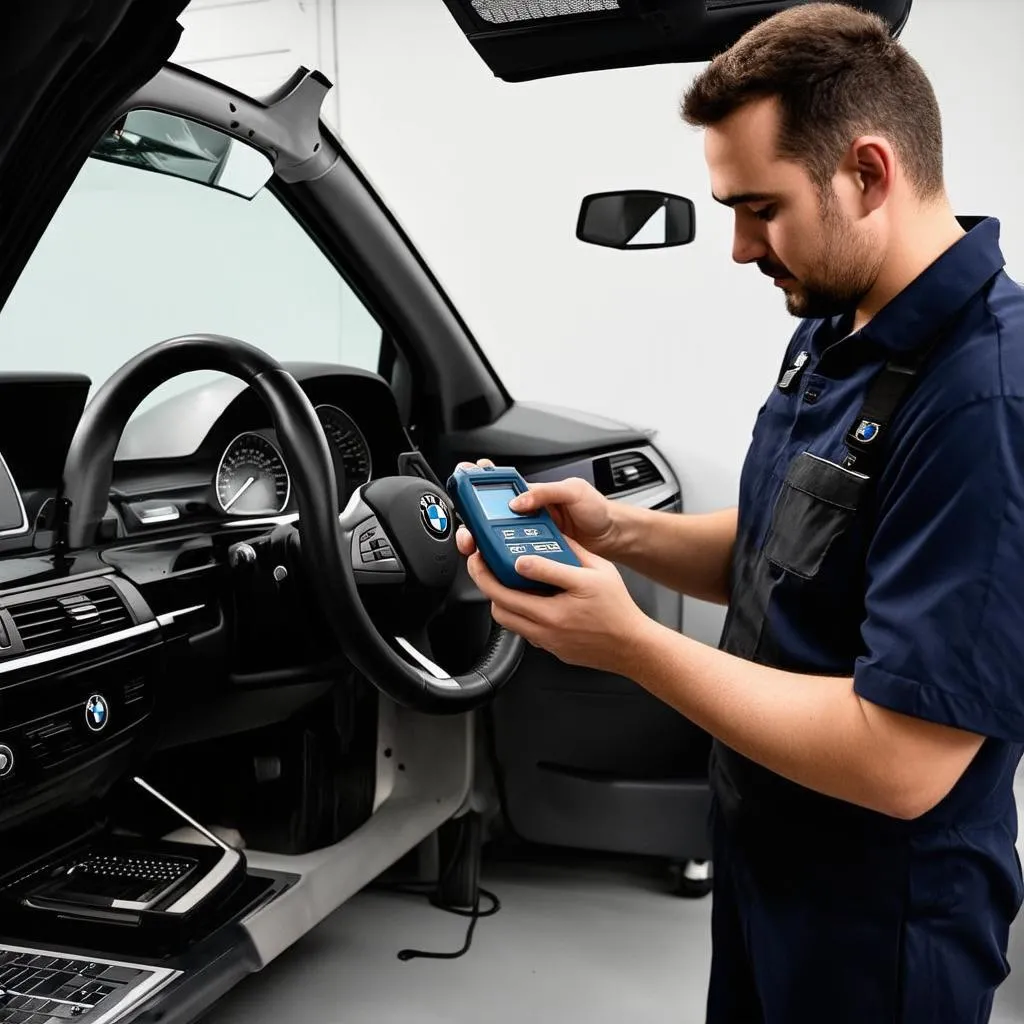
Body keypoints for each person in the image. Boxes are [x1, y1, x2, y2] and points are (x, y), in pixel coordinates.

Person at [455, 4, 1024, 1022]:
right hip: (768, 860)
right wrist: (615, 531)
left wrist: (628, 643)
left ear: (867, 173)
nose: (737, 246)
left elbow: (901, 762)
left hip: (880, 921)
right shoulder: (837, 315)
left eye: (760, 208)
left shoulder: (983, 399)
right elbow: (785, 543)